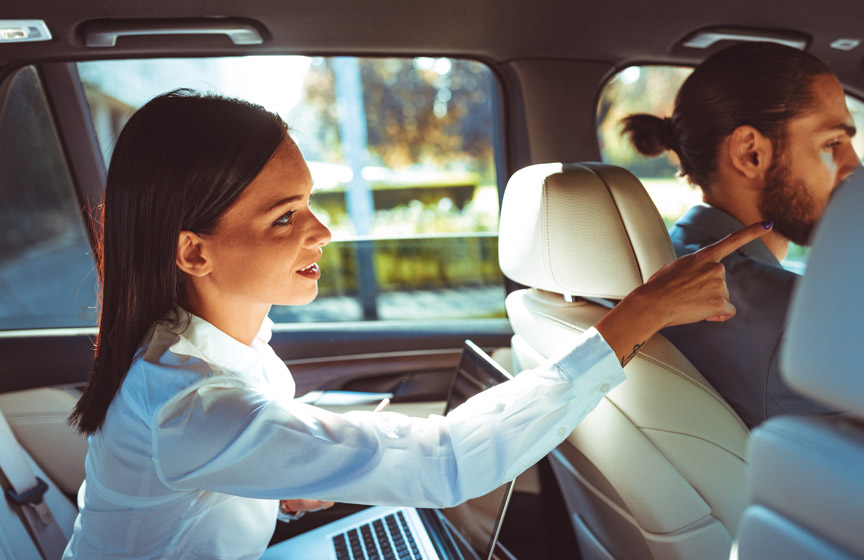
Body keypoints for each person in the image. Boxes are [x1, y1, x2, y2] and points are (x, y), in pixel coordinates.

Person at [63, 89, 771, 559]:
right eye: (285, 217)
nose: (322, 230)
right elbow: (446, 463)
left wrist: (274, 491)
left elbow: (189, 498)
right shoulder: (191, 403)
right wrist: (635, 317)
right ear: (194, 251)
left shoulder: (212, 353)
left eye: (308, 202)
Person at [622, 42, 860, 428]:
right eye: (832, 143)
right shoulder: (795, 319)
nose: (854, 166)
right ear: (751, 153)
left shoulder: (661, 259)